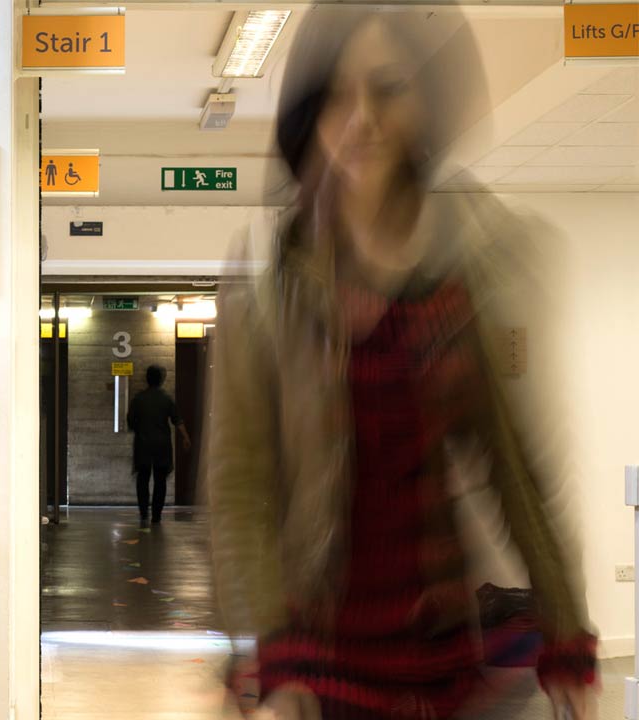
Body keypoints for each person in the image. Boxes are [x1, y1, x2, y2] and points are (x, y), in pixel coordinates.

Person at [205, 7, 597, 720]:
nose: (362, 118)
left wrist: (566, 635)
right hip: (317, 657)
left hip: (442, 657)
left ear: (424, 103)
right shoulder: (267, 289)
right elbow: (239, 491)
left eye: (388, 89)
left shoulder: (468, 276)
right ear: (310, 115)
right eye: (337, 96)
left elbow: (515, 470)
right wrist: (277, 659)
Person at [127, 365, 190, 527]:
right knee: (160, 481)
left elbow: (130, 422)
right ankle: (156, 515)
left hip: (143, 445)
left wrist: (140, 428)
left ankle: (143, 514)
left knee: (143, 480)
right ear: (161, 380)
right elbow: (177, 420)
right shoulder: (166, 399)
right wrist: (186, 437)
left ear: (146, 379)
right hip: (162, 446)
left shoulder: (138, 399)